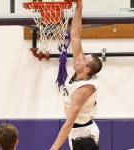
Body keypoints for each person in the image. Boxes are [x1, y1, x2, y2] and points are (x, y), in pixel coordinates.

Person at [50, 0, 102, 149]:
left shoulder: (83, 90)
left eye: (84, 59)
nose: (79, 56)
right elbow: (75, 36)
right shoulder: (81, 72)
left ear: (86, 69)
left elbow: (68, 124)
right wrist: (79, 6)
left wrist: (53, 148)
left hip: (84, 132)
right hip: (76, 130)